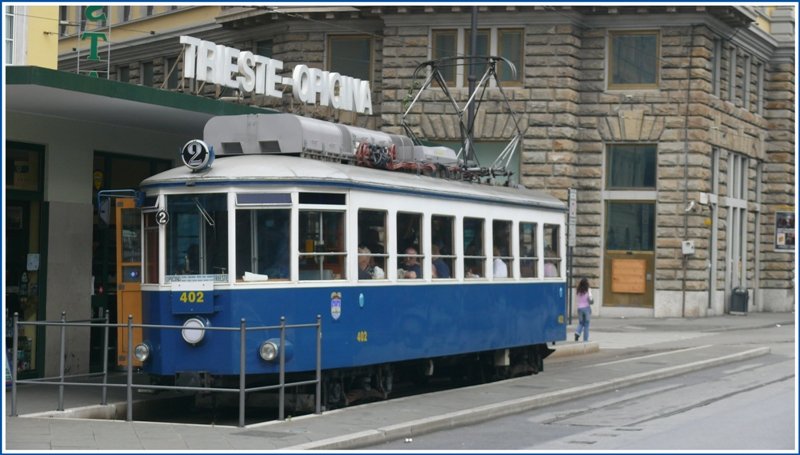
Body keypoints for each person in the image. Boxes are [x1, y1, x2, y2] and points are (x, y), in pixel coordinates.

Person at [574, 277, 592, 342]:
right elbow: (590, 299)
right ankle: (585, 340)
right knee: (586, 325)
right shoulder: (588, 290)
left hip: (579, 309)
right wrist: (591, 301)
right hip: (586, 308)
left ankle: (577, 333)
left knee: (581, 323)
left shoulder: (578, 290)